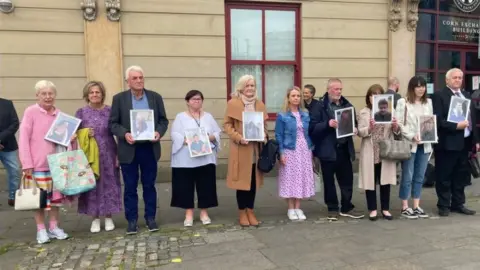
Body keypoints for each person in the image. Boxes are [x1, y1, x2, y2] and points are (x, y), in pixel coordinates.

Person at [109, 65, 169, 234]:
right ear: (128, 81)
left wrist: (158, 132)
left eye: (141, 77)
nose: (139, 81)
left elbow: (163, 121)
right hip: (129, 149)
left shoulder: (155, 97)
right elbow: (113, 124)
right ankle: (132, 220)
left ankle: (151, 218)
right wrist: (125, 134)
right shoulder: (119, 99)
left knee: (149, 185)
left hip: (149, 148)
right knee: (130, 187)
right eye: (134, 78)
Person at [19, 80, 69, 244]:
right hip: (37, 165)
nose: (48, 97)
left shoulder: (59, 114)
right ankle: (41, 230)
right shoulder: (31, 112)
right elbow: (24, 138)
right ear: (37, 96)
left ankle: (54, 227)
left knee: (55, 200)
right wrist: (27, 163)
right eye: (44, 94)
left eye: (50, 94)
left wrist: (71, 137)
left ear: (55, 95)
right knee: (39, 200)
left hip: (56, 163)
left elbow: (63, 139)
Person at [309, 78, 364, 221]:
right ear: (328, 90)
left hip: (344, 148)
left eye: (340, 89)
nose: (339, 92)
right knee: (329, 181)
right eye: (336, 89)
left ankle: (346, 206)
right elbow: (312, 128)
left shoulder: (347, 105)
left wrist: (355, 128)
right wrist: (327, 124)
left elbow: (354, 122)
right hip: (327, 150)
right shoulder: (319, 106)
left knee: (347, 180)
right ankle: (332, 208)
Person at [76, 81, 122, 233]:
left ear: (102, 94)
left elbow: (117, 132)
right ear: (87, 95)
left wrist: (119, 155)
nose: (94, 95)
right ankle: (94, 218)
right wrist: (84, 133)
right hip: (89, 156)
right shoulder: (81, 112)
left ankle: (108, 217)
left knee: (110, 185)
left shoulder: (110, 111)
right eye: (91, 92)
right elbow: (73, 135)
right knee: (92, 186)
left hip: (109, 152)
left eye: (97, 92)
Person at [432, 68, 479, 217]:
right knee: (444, 175)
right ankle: (444, 205)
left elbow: (473, 120)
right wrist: (455, 126)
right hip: (447, 143)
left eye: (460, 78)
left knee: (461, 175)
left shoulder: (466, 95)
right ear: (447, 80)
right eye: (455, 78)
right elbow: (437, 121)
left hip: (465, 143)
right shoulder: (439, 96)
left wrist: (476, 140)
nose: (458, 80)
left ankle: (458, 204)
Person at [170, 90, 220, 227]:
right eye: (193, 99)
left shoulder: (208, 117)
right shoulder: (180, 117)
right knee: (185, 186)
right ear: (187, 101)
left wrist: (209, 137)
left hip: (205, 158)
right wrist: (186, 141)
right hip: (186, 158)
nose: (196, 101)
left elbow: (217, 132)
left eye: (199, 99)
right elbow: (174, 134)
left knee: (206, 185)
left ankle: (204, 212)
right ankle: (189, 214)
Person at [224, 74, 268, 227]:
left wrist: (264, 136)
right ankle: (242, 212)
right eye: (247, 86)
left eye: (253, 86)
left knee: (253, 182)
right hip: (241, 149)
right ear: (241, 87)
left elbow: (264, 127)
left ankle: (251, 210)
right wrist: (238, 137)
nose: (250, 88)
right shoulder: (233, 103)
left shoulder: (259, 104)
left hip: (255, 150)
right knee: (242, 183)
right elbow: (227, 126)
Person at [358, 84, 398, 221]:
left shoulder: (389, 110)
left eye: (378, 94)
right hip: (370, 149)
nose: (374, 97)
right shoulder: (363, 112)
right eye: (372, 95)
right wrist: (369, 128)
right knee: (370, 180)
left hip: (385, 149)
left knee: (385, 181)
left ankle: (385, 209)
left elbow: (397, 132)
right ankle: (373, 209)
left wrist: (395, 126)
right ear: (368, 97)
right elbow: (360, 132)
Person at [396, 76, 434, 219]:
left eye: (423, 86)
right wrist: (412, 135)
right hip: (410, 144)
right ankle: (405, 206)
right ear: (412, 88)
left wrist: (430, 134)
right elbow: (399, 123)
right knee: (408, 175)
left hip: (425, 145)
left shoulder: (428, 102)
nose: (421, 89)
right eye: (418, 86)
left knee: (420, 175)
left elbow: (430, 122)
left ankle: (416, 205)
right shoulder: (403, 102)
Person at [275, 86, 314, 220]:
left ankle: (298, 207)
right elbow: (279, 135)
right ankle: (290, 208)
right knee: (290, 178)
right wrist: (281, 153)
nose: (296, 98)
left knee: (301, 177)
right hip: (289, 149)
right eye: (293, 96)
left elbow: (308, 132)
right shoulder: (282, 116)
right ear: (288, 98)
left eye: (298, 96)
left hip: (304, 149)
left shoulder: (305, 113)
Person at [0, 96, 20, 207]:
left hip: (8, 145)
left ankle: (13, 197)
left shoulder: (7, 104)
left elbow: (15, 123)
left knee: (14, 171)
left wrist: (1, 138)